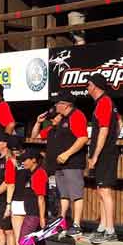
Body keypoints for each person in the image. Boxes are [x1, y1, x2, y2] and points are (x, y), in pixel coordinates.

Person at [34, 91, 88, 237]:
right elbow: (36, 138)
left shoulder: (76, 115)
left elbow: (83, 138)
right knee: (63, 194)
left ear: (66, 104)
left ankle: (76, 224)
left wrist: (67, 153)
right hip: (59, 165)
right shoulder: (61, 120)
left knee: (76, 194)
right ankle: (62, 220)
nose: (56, 105)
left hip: (72, 163)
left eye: (58, 103)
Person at [86, 73, 120, 244]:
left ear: (94, 86)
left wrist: (96, 155)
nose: (87, 88)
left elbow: (105, 129)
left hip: (105, 154)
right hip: (106, 152)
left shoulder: (104, 102)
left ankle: (111, 230)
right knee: (100, 190)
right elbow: (119, 124)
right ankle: (103, 226)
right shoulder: (105, 103)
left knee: (105, 191)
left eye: (88, 85)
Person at [18, 149, 50, 245]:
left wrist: (42, 218)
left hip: (34, 215)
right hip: (34, 214)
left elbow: (41, 198)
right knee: (40, 243)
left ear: (34, 160)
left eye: (25, 160)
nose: (23, 162)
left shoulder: (39, 174)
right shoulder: (32, 173)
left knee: (24, 241)